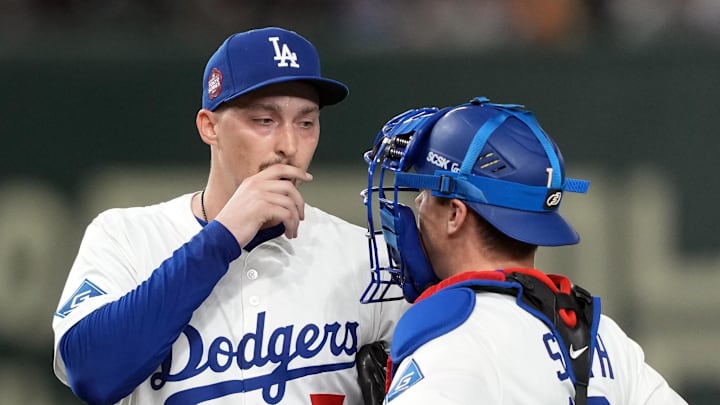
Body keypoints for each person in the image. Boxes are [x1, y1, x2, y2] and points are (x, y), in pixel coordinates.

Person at [52, 27, 406, 405]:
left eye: (306, 122)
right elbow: (91, 375)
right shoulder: (127, 235)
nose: (288, 145)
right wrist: (222, 237)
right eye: (264, 121)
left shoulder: (366, 258)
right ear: (209, 126)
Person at [359, 96, 689, 404]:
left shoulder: (454, 336)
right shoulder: (604, 335)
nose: (418, 204)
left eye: (426, 193)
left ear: (455, 215)